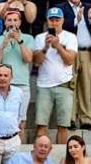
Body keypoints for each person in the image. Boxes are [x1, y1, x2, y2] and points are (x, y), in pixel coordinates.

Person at [31, 7, 78, 144]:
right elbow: (36, 62)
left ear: (62, 21)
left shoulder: (70, 37)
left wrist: (58, 46)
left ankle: (62, 157)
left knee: (63, 126)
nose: (54, 23)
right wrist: (45, 47)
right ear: (47, 21)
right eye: (52, 20)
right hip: (44, 85)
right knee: (41, 125)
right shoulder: (40, 38)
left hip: (64, 84)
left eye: (57, 20)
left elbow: (69, 60)